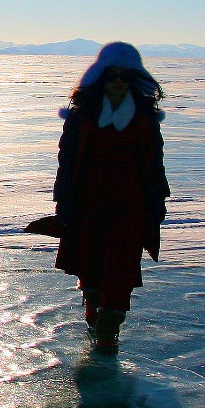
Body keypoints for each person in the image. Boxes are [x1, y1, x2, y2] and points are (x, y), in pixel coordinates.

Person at [53, 42, 170, 354]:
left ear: (134, 79)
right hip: (87, 205)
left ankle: (107, 333)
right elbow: (67, 161)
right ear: (100, 78)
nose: (118, 81)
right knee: (91, 267)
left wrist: (157, 202)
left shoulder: (145, 120)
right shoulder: (82, 117)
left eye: (124, 76)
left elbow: (154, 164)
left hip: (130, 208)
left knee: (120, 270)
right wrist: (63, 200)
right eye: (111, 75)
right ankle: (93, 311)